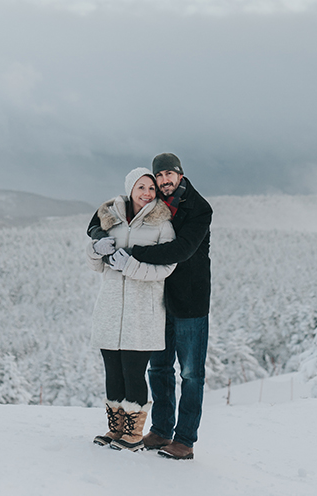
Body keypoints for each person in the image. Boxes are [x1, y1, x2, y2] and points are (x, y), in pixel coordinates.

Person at [88, 153, 212, 461]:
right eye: (160, 176)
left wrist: (130, 254)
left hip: (189, 300)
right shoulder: (154, 205)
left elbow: (181, 250)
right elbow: (97, 221)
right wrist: (98, 239)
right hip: (156, 301)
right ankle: (160, 430)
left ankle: (184, 440)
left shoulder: (198, 208)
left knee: (191, 373)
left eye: (171, 174)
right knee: (158, 368)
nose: (165, 181)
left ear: (180, 176)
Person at [86, 167, 176, 451]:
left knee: (133, 372)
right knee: (112, 371)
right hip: (111, 307)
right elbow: (96, 265)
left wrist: (131, 266)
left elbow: (167, 267)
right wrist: (95, 250)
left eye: (151, 188)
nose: (148, 193)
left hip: (142, 310)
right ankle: (115, 430)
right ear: (130, 189)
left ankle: (133, 433)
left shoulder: (162, 223)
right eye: (141, 187)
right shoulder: (111, 219)